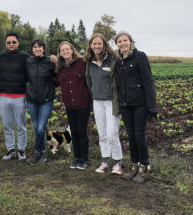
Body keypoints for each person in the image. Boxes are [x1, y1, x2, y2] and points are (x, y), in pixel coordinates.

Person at [114, 31, 157, 183]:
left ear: (130, 42)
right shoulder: (118, 61)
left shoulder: (140, 56)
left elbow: (148, 81)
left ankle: (144, 167)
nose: (122, 43)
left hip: (140, 104)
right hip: (125, 104)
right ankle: (134, 165)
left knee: (139, 135)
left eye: (125, 40)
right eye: (119, 41)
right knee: (130, 135)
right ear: (117, 45)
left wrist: (152, 106)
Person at [85, 33, 123, 174]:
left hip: (111, 102)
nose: (96, 46)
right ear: (90, 45)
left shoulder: (113, 59)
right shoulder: (88, 61)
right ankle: (105, 162)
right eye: (94, 44)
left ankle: (118, 163)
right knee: (102, 133)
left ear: (104, 45)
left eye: (99, 43)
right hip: (97, 101)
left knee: (112, 133)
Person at [55, 41, 91, 169]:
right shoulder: (60, 68)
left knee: (81, 131)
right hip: (69, 104)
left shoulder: (82, 63)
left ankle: (84, 158)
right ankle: (76, 157)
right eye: (62, 50)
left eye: (67, 49)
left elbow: (90, 81)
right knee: (74, 131)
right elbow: (55, 82)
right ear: (60, 53)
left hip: (83, 103)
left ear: (71, 50)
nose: (65, 52)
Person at [0, 33, 30, 161]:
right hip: (4, 96)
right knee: (7, 125)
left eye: (13, 42)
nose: (11, 44)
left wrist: (52, 58)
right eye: (8, 42)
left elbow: (38, 59)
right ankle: (10, 150)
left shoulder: (25, 56)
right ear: (5, 44)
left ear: (18, 43)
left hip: (20, 96)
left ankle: (21, 150)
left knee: (21, 125)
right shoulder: (1, 56)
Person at [25, 39, 56, 165]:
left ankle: (39, 152)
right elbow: (26, 78)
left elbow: (57, 77)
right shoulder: (28, 61)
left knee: (39, 128)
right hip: (31, 100)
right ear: (32, 49)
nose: (37, 49)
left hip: (46, 100)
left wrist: (50, 89)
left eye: (40, 47)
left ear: (43, 48)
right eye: (35, 47)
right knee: (38, 127)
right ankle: (41, 153)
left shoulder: (51, 61)